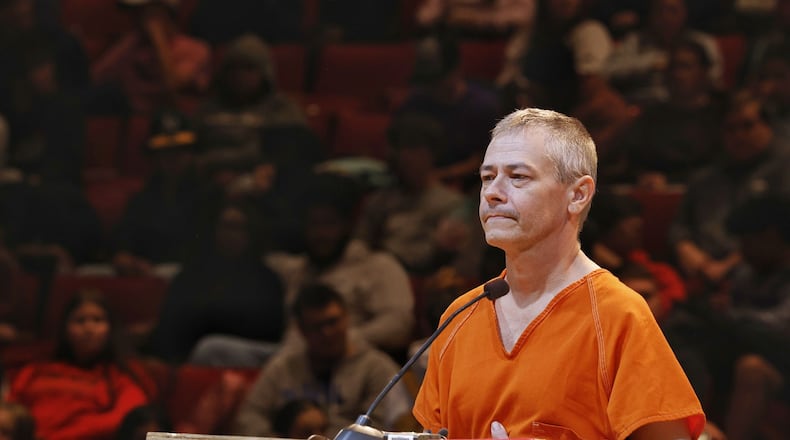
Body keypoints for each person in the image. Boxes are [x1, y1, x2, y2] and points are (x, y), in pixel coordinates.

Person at [412, 108, 706, 439]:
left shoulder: (618, 314)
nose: (493, 192)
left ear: (578, 195)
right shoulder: (458, 317)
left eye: (518, 176)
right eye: (487, 177)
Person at [232, 284, 414, 437]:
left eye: (332, 322)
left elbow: (384, 428)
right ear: (301, 329)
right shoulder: (284, 367)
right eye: (317, 327)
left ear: (346, 318)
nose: (327, 333)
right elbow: (249, 418)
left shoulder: (376, 368)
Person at [668, 91, 790, 296]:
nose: (739, 136)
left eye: (747, 126)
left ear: (768, 126)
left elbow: (779, 238)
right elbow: (679, 227)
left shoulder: (785, 172)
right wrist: (688, 251)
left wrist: (727, 266)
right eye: (730, 129)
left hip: (764, 276)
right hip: (701, 273)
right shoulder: (705, 179)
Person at [5, 289, 157, 440]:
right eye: (80, 321)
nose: (89, 328)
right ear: (65, 328)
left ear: (110, 328)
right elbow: (10, 408)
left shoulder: (123, 374)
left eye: (97, 320)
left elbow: (126, 418)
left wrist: (56, 437)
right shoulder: (36, 368)